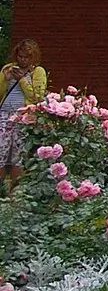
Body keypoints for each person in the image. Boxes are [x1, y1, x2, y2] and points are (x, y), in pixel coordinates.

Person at [0, 39, 47, 196]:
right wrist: (4, 80)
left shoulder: (37, 72)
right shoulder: (8, 69)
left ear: (33, 58)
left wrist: (22, 81)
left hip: (23, 117)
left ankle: (14, 194)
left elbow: (36, 97)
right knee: (1, 152)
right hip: (4, 114)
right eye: (20, 56)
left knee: (17, 156)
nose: (22, 60)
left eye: (27, 57)